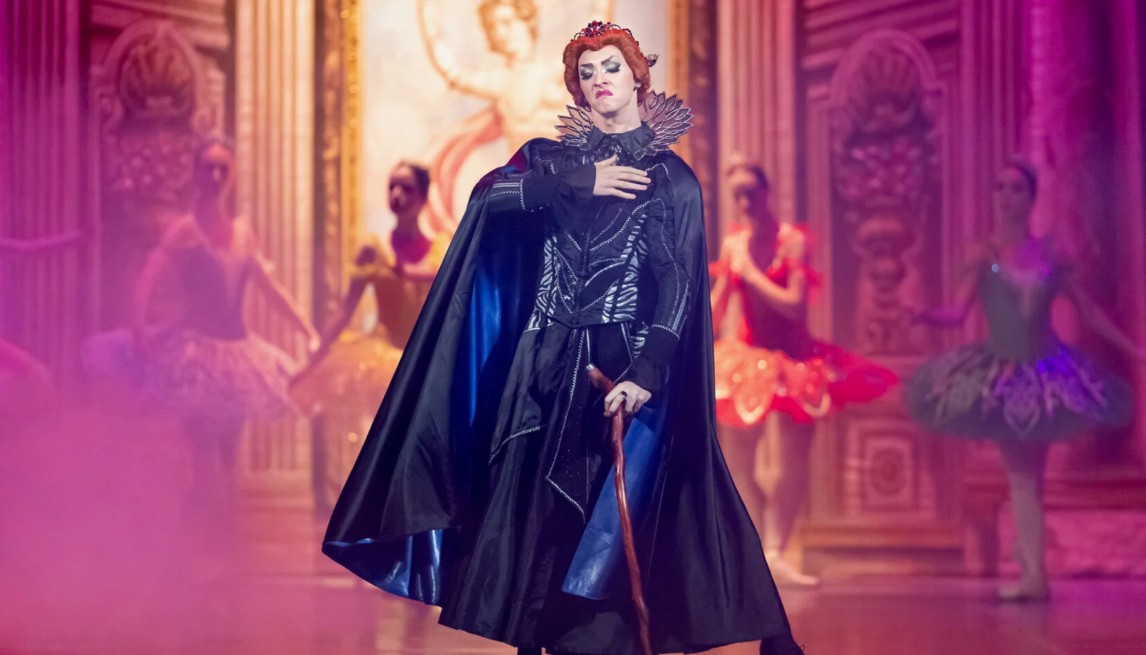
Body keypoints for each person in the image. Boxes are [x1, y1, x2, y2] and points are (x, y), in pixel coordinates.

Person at [324, 21, 801, 655]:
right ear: (576, 88)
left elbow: (679, 284)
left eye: (611, 66)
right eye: (586, 71)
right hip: (542, 362)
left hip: (619, 362)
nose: (599, 79)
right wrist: (575, 184)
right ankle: (540, 632)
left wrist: (647, 371)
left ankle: (618, 634)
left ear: (638, 76)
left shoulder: (672, 179)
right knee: (531, 511)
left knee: (637, 509)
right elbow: (486, 201)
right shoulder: (548, 160)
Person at [906, 159, 1140, 601]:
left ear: (1031, 198)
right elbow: (958, 313)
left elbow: (1089, 312)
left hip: (1047, 374)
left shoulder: (1050, 255)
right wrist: (924, 315)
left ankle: (1033, 572)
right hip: (1004, 374)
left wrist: (1134, 349)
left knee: (1030, 475)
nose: (1005, 196)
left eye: (1015, 189)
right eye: (999, 188)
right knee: (1022, 475)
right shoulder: (984, 255)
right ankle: (1034, 575)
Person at [709, 161, 897, 585]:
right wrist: (717, 293)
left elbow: (794, 306)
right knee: (738, 457)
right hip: (747, 358)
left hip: (794, 359)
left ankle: (777, 549)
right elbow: (719, 307)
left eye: (750, 192)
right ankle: (758, 547)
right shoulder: (734, 243)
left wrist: (750, 274)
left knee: (794, 458)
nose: (744, 202)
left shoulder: (791, 241)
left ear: (766, 192)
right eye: (737, 195)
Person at [292, 161, 449, 507]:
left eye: (407, 188)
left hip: (424, 358)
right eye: (392, 186)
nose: (397, 194)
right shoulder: (374, 249)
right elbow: (344, 311)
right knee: (384, 448)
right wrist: (313, 360)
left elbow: (449, 296)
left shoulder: (441, 249)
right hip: (382, 359)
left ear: (423, 198)